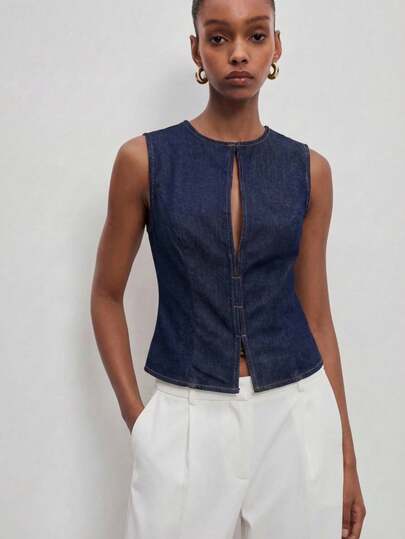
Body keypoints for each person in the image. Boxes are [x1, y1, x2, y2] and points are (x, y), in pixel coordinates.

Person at [90, 0, 366, 538]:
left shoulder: (309, 171)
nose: (238, 53)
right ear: (196, 50)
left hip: (296, 415)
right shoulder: (144, 161)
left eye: (256, 36)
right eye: (218, 38)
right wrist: (138, 421)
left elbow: (317, 318)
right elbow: (105, 295)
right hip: (186, 415)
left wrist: (346, 459)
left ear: (276, 47)